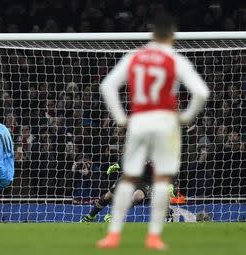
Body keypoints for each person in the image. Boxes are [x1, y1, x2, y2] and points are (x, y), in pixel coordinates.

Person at [98, 14, 209, 250]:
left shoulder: (134, 57)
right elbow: (201, 92)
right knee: (161, 180)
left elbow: (107, 86)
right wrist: (187, 116)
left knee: (128, 179)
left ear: (152, 35)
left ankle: (113, 234)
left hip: (139, 123)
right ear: (171, 36)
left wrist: (119, 117)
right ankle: (154, 235)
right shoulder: (173, 59)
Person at [80, 162, 153, 222]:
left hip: (146, 180)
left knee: (138, 196)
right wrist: (118, 164)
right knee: (108, 196)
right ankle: (90, 216)